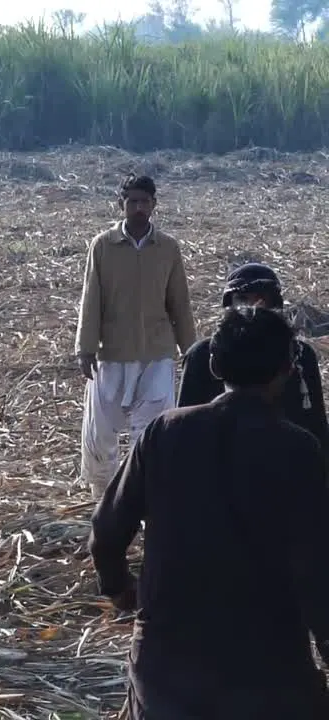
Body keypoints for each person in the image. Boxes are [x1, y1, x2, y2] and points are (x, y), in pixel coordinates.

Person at [90, 306, 329, 719]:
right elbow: (315, 568)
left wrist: (119, 588)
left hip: (167, 678)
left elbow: (107, 530)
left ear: (214, 365)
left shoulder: (163, 433)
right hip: (269, 677)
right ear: (287, 370)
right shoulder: (298, 450)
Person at [74, 175, 196, 500]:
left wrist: (193, 350)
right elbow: (91, 299)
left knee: (153, 431)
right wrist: (85, 349)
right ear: (121, 205)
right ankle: (103, 498)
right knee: (101, 432)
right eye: (133, 202)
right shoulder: (103, 245)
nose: (139, 208)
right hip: (111, 352)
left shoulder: (168, 248)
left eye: (145, 202)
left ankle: (147, 498)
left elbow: (179, 303)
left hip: (156, 353)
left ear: (155, 205)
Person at [177, 262, 329, 467]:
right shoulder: (202, 355)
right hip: (215, 466)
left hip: (283, 466)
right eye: (242, 299)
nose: (254, 308)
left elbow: (316, 425)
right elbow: (185, 425)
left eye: (263, 299)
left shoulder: (299, 355)